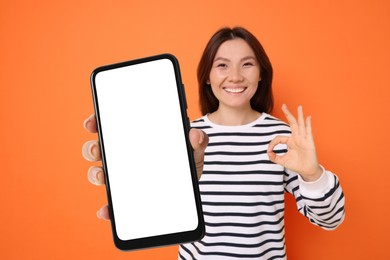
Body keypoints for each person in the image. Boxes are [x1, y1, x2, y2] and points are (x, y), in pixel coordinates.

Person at [82, 27, 345, 259]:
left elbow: (332, 220)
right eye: (222, 65)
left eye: (247, 64)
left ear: (261, 74)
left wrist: (313, 175)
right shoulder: (187, 136)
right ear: (207, 76)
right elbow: (161, 208)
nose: (235, 76)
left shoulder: (282, 136)